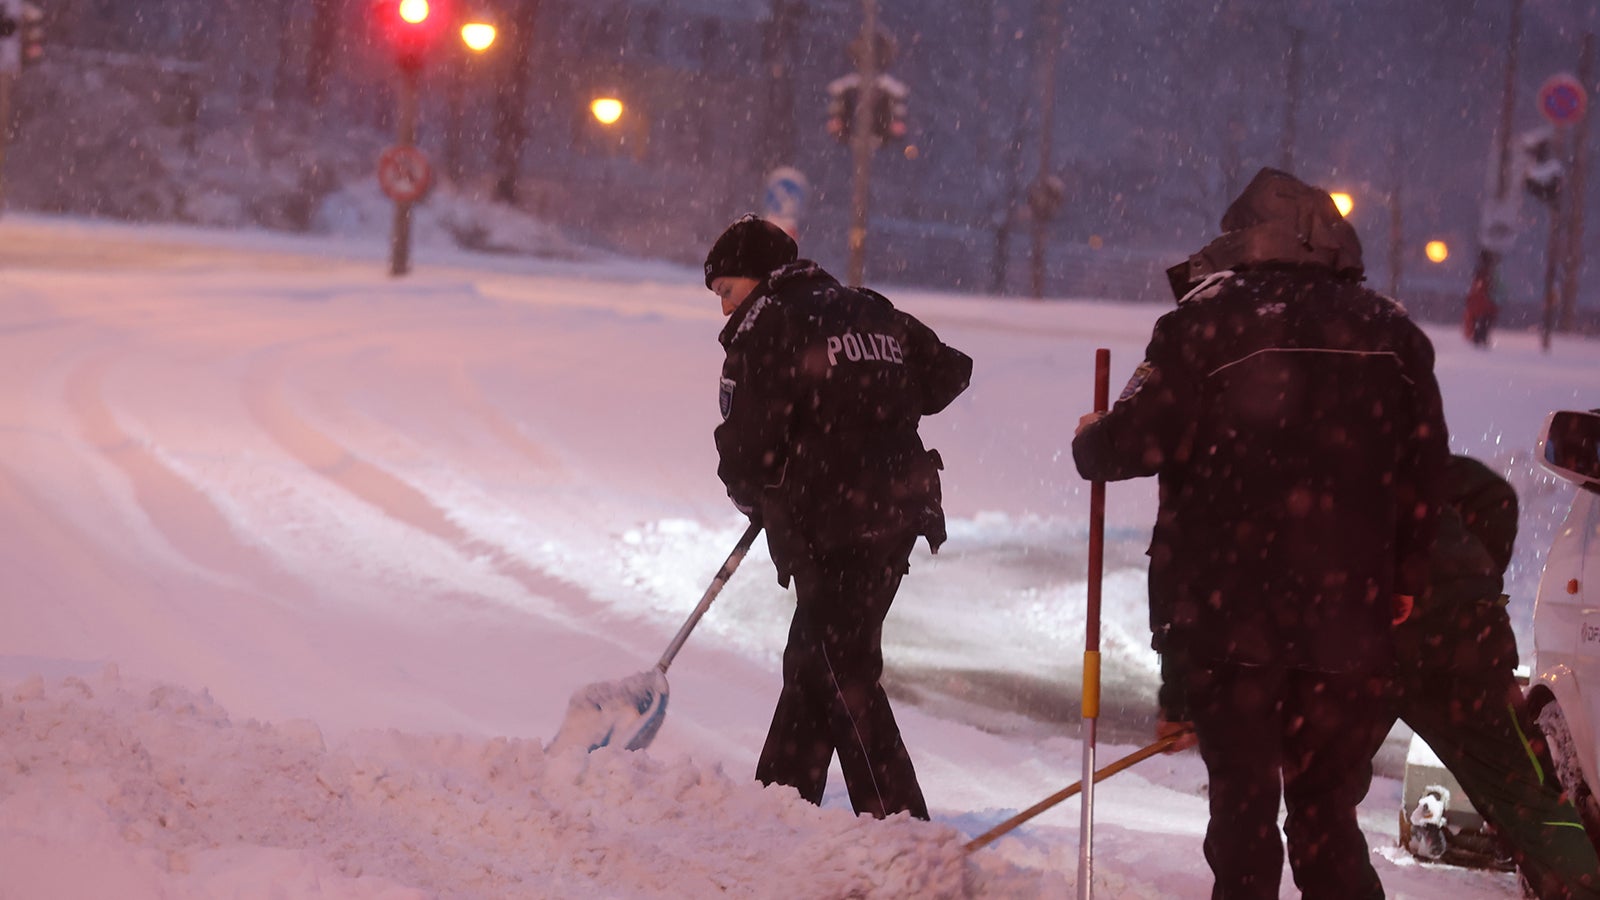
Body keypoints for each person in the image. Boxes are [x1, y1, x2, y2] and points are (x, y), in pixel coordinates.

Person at [1072, 167, 1450, 899]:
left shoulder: (1205, 321)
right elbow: (1426, 468)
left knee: (1243, 814)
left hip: (1229, 612)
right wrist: (1405, 577)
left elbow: (1131, 446)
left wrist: (1095, 436)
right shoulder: (1393, 332)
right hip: (1349, 616)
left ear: (1239, 238)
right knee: (1325, 814)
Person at [704, 214, 972, 821]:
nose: (724, 309)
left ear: (757, 277)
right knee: (814, 658)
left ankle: (901, 827)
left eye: (725, 291)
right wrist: (876, 397)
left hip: (834, 524)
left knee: (835, 667)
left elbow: (747, 450)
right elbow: (948, 371)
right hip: (897, 511)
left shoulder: (770, 325)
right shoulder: (866, 307)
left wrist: (755, 497)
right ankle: (780, 806)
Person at [1393, 453, 1600, 899]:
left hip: (1377, 642)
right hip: (1464, 639)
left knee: (1322, 804)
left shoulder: (1289, 456)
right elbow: (1494, 496)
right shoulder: (1396, 435)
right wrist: (1473, 584)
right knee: (1528, 800)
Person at [1463, 250, 1499, 348]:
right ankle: (1480, 339)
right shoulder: (1486, 274)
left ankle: (1479, 339)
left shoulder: (1481, 274)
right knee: (1483, 323)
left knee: (1480, 323)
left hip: (1480, 304)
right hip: (1483, 304)